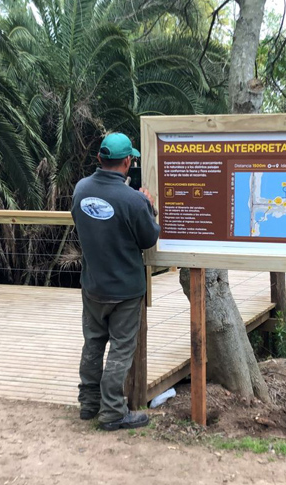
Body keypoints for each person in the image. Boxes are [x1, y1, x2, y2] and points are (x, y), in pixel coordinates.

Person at [72, 132, 160, 431]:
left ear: (99, 158)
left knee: (93, 343)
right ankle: (112, 411)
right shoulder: (133, 200)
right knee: (121, 349)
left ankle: (88, 404)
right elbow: (148, 239)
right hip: (125, 290)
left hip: (93, 285)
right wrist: (148, 206)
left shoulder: (81, 189)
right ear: (128, 162)